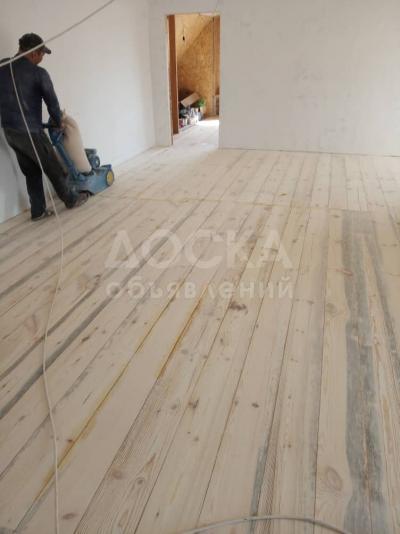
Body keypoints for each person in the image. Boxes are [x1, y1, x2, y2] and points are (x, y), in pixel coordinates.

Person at [0, 33, 88, 220]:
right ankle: (71, 199)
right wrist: (58, 122)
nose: (42, 58)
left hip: (10, 131)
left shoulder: (2, 66)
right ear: (33, 53)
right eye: (41, 54)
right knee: (54, 167)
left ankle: (38, 211)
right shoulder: (39, 73)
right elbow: (52, 104)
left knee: (31, 170)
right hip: (31, 131)